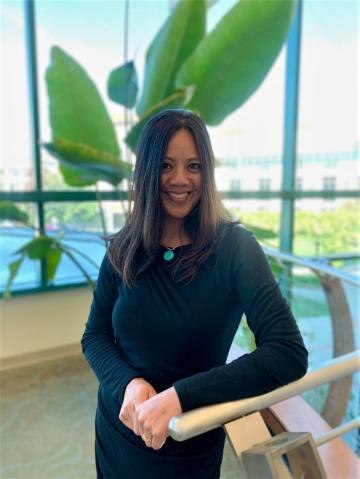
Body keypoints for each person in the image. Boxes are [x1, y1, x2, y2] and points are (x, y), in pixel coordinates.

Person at [81, 108, 308, 478]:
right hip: (117, 427)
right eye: (167, 166)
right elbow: (96, 335)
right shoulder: (124, 247)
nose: (180, 179)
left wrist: (179, 396)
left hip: (186, 443)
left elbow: (287, 353)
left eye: (194, 166)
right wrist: (129, 384)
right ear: (148, 173)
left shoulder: (235, 248)